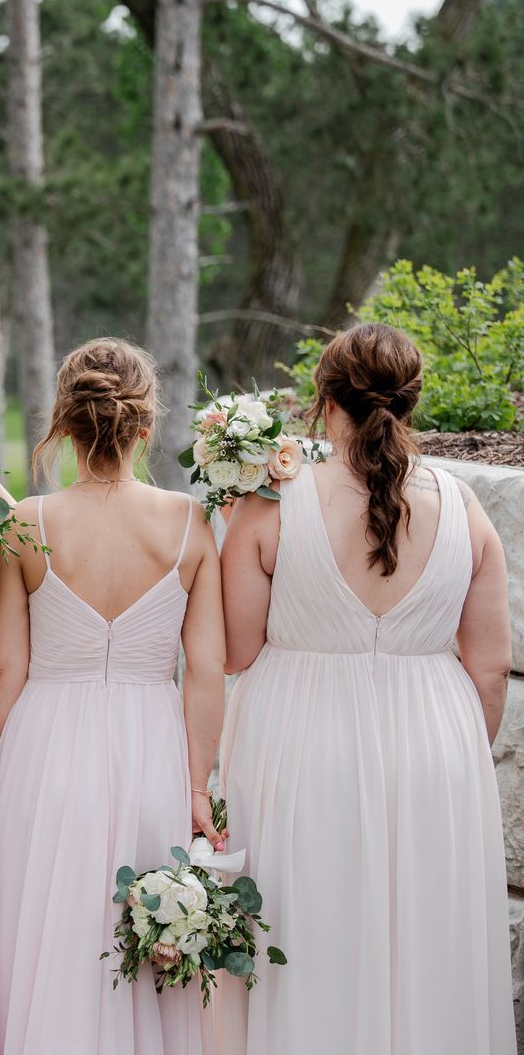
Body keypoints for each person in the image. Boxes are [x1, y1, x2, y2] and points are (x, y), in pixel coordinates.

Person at [219, 322, 513, 1055]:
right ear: (411, 402)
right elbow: (489, 666)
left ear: (323, 401)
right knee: (425, 948)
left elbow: (235, 648)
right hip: (435, 754)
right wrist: (446, 759)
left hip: (298, 747)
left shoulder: (268, 507)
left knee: (306, 939)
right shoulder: (469, 512)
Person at [0, 339, 223, 1055]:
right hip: (153, 744)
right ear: (144, 427)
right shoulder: (190, 522)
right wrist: (197, 784)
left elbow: (5, 670)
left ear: (63, 423)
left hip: (44, 744)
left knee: (46, 934)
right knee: (149, 942)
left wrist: (3, 763)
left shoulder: (25, 522)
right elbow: (206, 668)